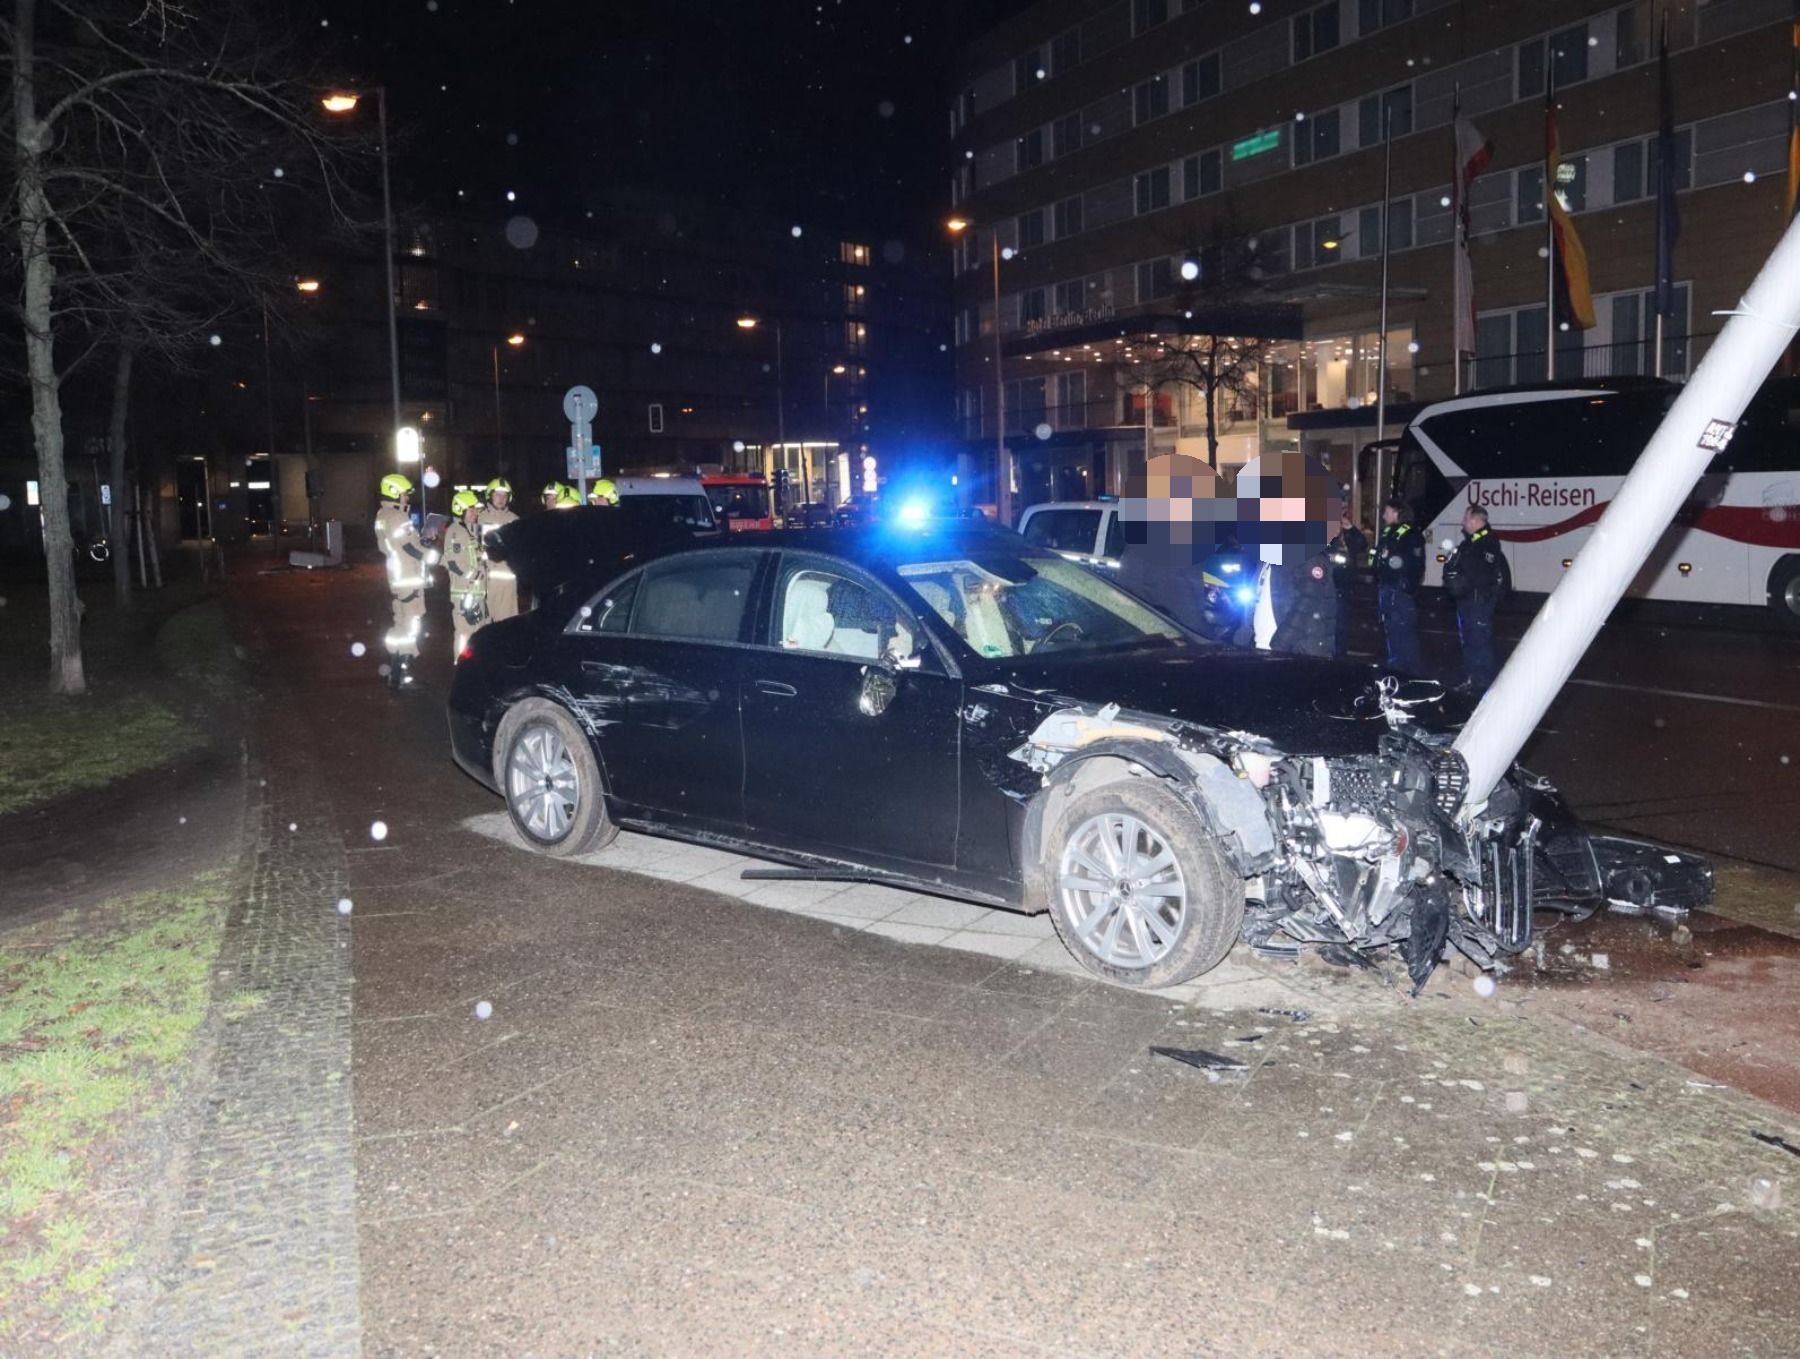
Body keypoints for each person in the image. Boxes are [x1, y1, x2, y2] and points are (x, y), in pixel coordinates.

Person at [1442, 502, 1510, 692]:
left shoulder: (1487, 541)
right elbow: (1454, 565)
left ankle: (1482, 685)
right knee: (1470, 643)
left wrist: (1459, 574)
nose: (1463, 522)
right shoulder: (1470, 542)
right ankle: (1472, 680)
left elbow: (1477, 573)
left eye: (1466, 518)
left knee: (1480, 643)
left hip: (1478, 601)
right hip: (1467, 600)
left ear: (1475, 520)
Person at [374, 473, 433, 689]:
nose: (407, 498)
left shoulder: (382, 515)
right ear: (393, 493)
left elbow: (401, 544)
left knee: (400, 625)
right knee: (410, 628)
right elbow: (409, 547)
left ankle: (392, 669)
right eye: (404, 494)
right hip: (408, 579)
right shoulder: (398, 517)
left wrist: (420, 540)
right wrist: (430, 554)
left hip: (397, 579)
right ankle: (402, 676)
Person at [1371, 497, 1425, 674]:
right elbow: (1379, 559)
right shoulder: (1388, 533)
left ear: (1396, 513)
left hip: (1399, 593)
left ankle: (1411, 676)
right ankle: (1396, 672)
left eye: (1386, 511)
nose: (1384, 515)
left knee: (1405, 636)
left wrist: (1404, 586)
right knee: (1393, 635)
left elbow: (1413, 565)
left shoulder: (1410, 534)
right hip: (1387, 591)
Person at [443, 489, 487, 660]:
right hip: (464, 593)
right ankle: (461, 665)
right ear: (460, 510)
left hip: (476, 592)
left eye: (476, 509)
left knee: (476, 633)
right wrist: (474, 576)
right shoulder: (456, 531)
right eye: (471, 509)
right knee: (464, 634)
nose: (475, 513)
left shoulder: (470, 531)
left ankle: (472, 669)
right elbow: (454, 563)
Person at [475, 478, 519, 623]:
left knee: (507, 626)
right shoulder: (479, 518)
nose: (501, 499)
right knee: (482, 625)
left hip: (508, 583)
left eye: (505, 496)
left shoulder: (515, 520)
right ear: (490, 496)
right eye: (498, 495)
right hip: (485, 580)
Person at [1328, 510, 1368, 660]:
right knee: (1330, 625)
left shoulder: (1347, 539)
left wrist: (1350, 527)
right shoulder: (1326, 541)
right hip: (1328, 588)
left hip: (1342, 589)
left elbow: (1362, 544)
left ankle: (1339, 656)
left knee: (1341, 626)